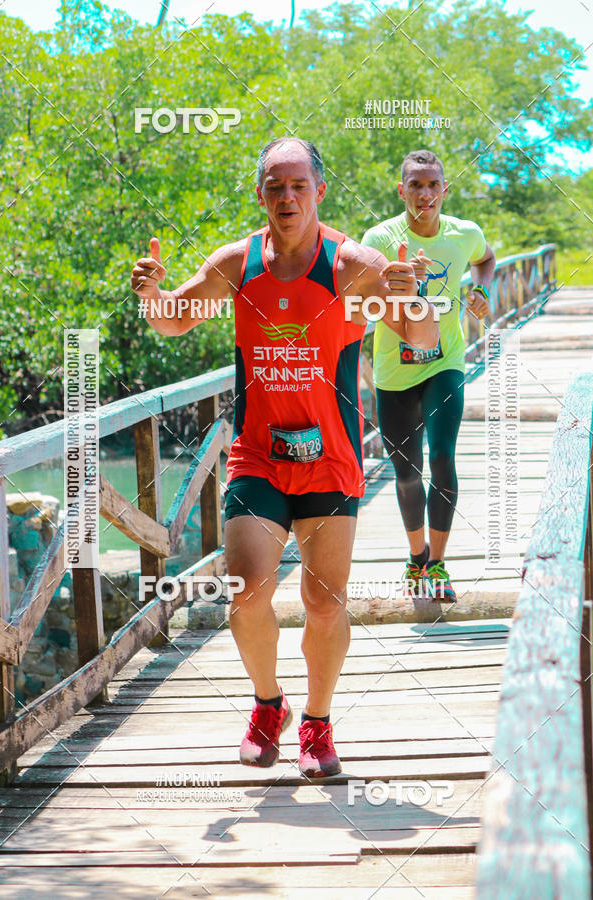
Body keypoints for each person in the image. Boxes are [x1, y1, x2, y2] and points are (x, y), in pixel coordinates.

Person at [131, 137, 439, 777]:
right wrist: (152, 296)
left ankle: (319, 725)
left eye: (299, 185)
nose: (287, 197)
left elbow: (423, 340)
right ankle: (268, 704)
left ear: (319, 192)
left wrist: (412, 297)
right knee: (245, 592)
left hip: (331, 460)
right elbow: (174, 320)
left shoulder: (353, 266)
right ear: (260, 192)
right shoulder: (238, 263)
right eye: (276, 185)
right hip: (257, 458)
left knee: (325, 602)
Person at [361, 149, 496, 603]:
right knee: (406, 471)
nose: (424, 193)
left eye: (432, 184)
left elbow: (486, 258)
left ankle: (436, 564)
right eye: (415, 185)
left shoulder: (464, 234)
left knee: (442, 457)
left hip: (445, 360)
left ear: (444, 190)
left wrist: (480, 289)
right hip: (394, 370)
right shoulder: (379, 239)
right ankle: (415, 556)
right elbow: (364, 302)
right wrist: (402, 285)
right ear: (401, 191)